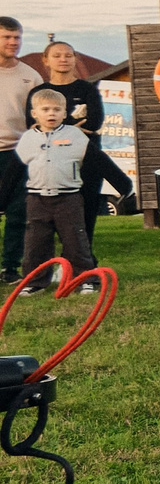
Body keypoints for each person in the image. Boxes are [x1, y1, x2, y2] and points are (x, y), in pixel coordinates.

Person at [33, 39, 132, 248]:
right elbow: (31, 125)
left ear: (75, 59)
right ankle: (51, 265)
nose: (63, 59)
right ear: (46, 61)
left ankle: (85, 264)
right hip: (52, 165)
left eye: (68, 55)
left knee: (86, 215)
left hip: (86, 163)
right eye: (57, 55)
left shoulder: (87, 90)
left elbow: (95, 121)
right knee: (49, 219)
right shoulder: (39, 92)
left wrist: (54, 126)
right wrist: (73, 126)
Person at [13, 89, 94, 290]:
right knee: (35, 244)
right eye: (46, 109)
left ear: (65, 114)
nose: (51, 114)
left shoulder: (75, 135)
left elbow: (97, 162)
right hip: (37, 200)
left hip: (69, 199)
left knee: (76, 242)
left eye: (57, 110)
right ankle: (34, 282)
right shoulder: (28, 139)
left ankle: (85, 280)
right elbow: (13, 171)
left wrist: (123, 186)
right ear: (34, 114)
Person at [0, 18, 39, 282]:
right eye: (7, 37)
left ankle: (10, 268)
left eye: (17, 37)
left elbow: (38, 117)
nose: (14, 42)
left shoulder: (30, 75)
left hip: (19, 153)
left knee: (18, 212)